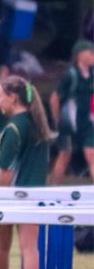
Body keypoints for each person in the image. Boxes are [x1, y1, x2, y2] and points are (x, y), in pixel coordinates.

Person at [0, 76, 52, 269]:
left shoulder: (14, 128)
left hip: (10, 195)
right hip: (34, 194)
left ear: (13, 97)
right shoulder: (38, 125)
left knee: (1, 246)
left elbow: (5, 171)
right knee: (30, 247)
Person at [50, 40, 94, 184]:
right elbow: (54, 99)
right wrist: (58, 120)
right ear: (80, 55)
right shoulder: (70, 74)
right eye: (90, 52)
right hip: (69, 123)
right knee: (65, 155)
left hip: (87, 122)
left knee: (91, 154)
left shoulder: (92, 73)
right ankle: (53, 189)